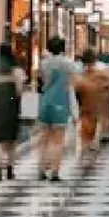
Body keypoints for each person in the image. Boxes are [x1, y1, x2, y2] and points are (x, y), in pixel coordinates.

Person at [37, 36, 76, 181]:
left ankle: (41, 170)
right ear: (62, 48)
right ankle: (54, 171)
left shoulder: (43, 64)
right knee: (58, 140)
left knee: (44, 139)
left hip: (45, 102)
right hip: (60, 102)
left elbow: (42, 82)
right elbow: (71, 84)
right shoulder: (68, 64)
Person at [0, 43, 26, 181]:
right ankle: (10, 169)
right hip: (11, 108)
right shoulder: (16, 70)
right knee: (11, 141)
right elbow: (19, 91)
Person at [74, 49, 109, 153]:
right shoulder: (101, 69)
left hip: (85, 99)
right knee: (90, 120)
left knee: (88, 120)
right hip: (93, 100)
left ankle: (86, 143)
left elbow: (76, 85)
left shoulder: (79, 70)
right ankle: (87, 143)